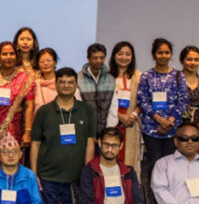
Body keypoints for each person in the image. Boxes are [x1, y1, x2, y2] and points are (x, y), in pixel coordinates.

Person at [30, 67, 96, 204]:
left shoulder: (87, 110)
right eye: (62, 82)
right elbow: (35, 144)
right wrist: (34, 174)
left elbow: (90, 142)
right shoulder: (44, 112)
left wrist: (87, 173)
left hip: (75, 177)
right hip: (48, 176)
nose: (66, 85)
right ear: (56, 84)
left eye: (70, 82)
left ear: (76, 85)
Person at [137, 38, 188, 181]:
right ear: (154, 55)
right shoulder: (146, 76)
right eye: (160, 53)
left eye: (167, 52)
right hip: (151, 129)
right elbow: (143, 100)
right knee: (153, 165)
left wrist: (169, 121)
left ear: (171, 55)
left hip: (172, 129)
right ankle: (152, 200)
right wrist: (159, 120)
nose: (163, 56)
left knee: (171, 167)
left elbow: (183, 100)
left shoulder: (178, 76)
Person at [105, 41, 143, 175]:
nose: (124, 57)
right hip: (111, 123)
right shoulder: (107, 77)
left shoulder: (138, 76)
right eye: (120, 53)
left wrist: (133, 115)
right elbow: (104, 102)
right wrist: (119, 116)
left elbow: (144, 99)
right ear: (114, 56)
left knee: (130, 160)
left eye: (127, 54)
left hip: (131, 124)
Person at [79, 43, 114, 134]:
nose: (99, 61)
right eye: (95, 58)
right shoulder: (78, 78)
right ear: (88, 58)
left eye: (102, 57)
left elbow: (113, 108)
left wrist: (108, 131)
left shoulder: (110, 79)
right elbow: (78, 108)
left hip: (105, 131)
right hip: (84, 131)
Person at [179, 46, 199, 126]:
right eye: (189, 59)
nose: (193, 63)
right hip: (178, 126)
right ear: (182, 61)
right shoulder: (174, 80)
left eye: (196, 60)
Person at [32, 47, 59, 120]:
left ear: (55, 62)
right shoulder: (35, 84)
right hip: (40, 124)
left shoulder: (62, 82)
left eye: (49, 60)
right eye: (42, 61)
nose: (46, 63)